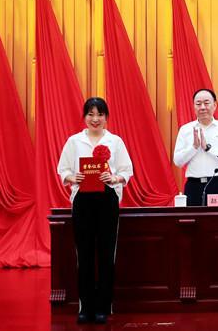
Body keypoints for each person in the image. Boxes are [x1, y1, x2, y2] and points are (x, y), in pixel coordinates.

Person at [57, 97, 133, 324]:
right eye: (90, 114)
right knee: (85, 254)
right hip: (82, 201)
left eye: (100, 114)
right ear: (84, 117)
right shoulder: (74, 141)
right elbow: (63, 170)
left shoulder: (115, 141)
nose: (95, 119)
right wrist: (73, 177)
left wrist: (114, 178)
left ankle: (103, 306)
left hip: (108, 199)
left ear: (106, 117)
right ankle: (86, 306)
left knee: (107, 253)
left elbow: (126, 171)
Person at [173, 89, 218, 206]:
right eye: (198, 104)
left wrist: (209, 148)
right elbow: (178, 161)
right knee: (193, 218)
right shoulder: (185, 129)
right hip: (194, 186)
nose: (202, 107)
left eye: (206, 103)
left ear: (215, 105)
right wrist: (194, 147)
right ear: (194, 107)